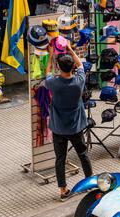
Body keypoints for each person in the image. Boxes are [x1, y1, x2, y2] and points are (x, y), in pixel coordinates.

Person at [45, 41, 93, 200]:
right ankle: (89, 182)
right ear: (72, 67)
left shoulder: (53, 82)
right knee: (82, 154)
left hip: (58, 128)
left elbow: (48, 73)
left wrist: (52, 54)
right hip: (76, 127)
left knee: (60, 158)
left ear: (59, 68)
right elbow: (80, 65)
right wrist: (71, 49)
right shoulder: (79, 81)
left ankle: (63, 190)